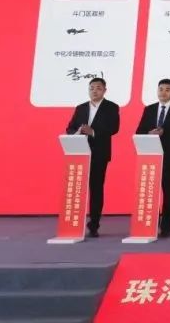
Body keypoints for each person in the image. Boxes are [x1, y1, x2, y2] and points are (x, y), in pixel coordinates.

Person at [65, 77, 120, 238]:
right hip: (79, 153)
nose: (94, 91)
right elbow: (70, 128)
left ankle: (94, 225)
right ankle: (73, 223)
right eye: (91, 88)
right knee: (77, 189)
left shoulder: (111, 107)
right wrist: (77, 132)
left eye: (98, 88)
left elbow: (114, 128)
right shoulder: (81, 107)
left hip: (99, 154)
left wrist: (93, 132)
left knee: (96, 189)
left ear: (104, 90)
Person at [135, 78, 170, 237]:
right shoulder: (149, 109)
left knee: (168, 191)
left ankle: (166, 226)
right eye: (161, 89)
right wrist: (149, 133)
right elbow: (139, 131)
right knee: (150, 191)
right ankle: (150, 223)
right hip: (151, 156)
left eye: (167, 89)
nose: (163, 92)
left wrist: (165, 131)